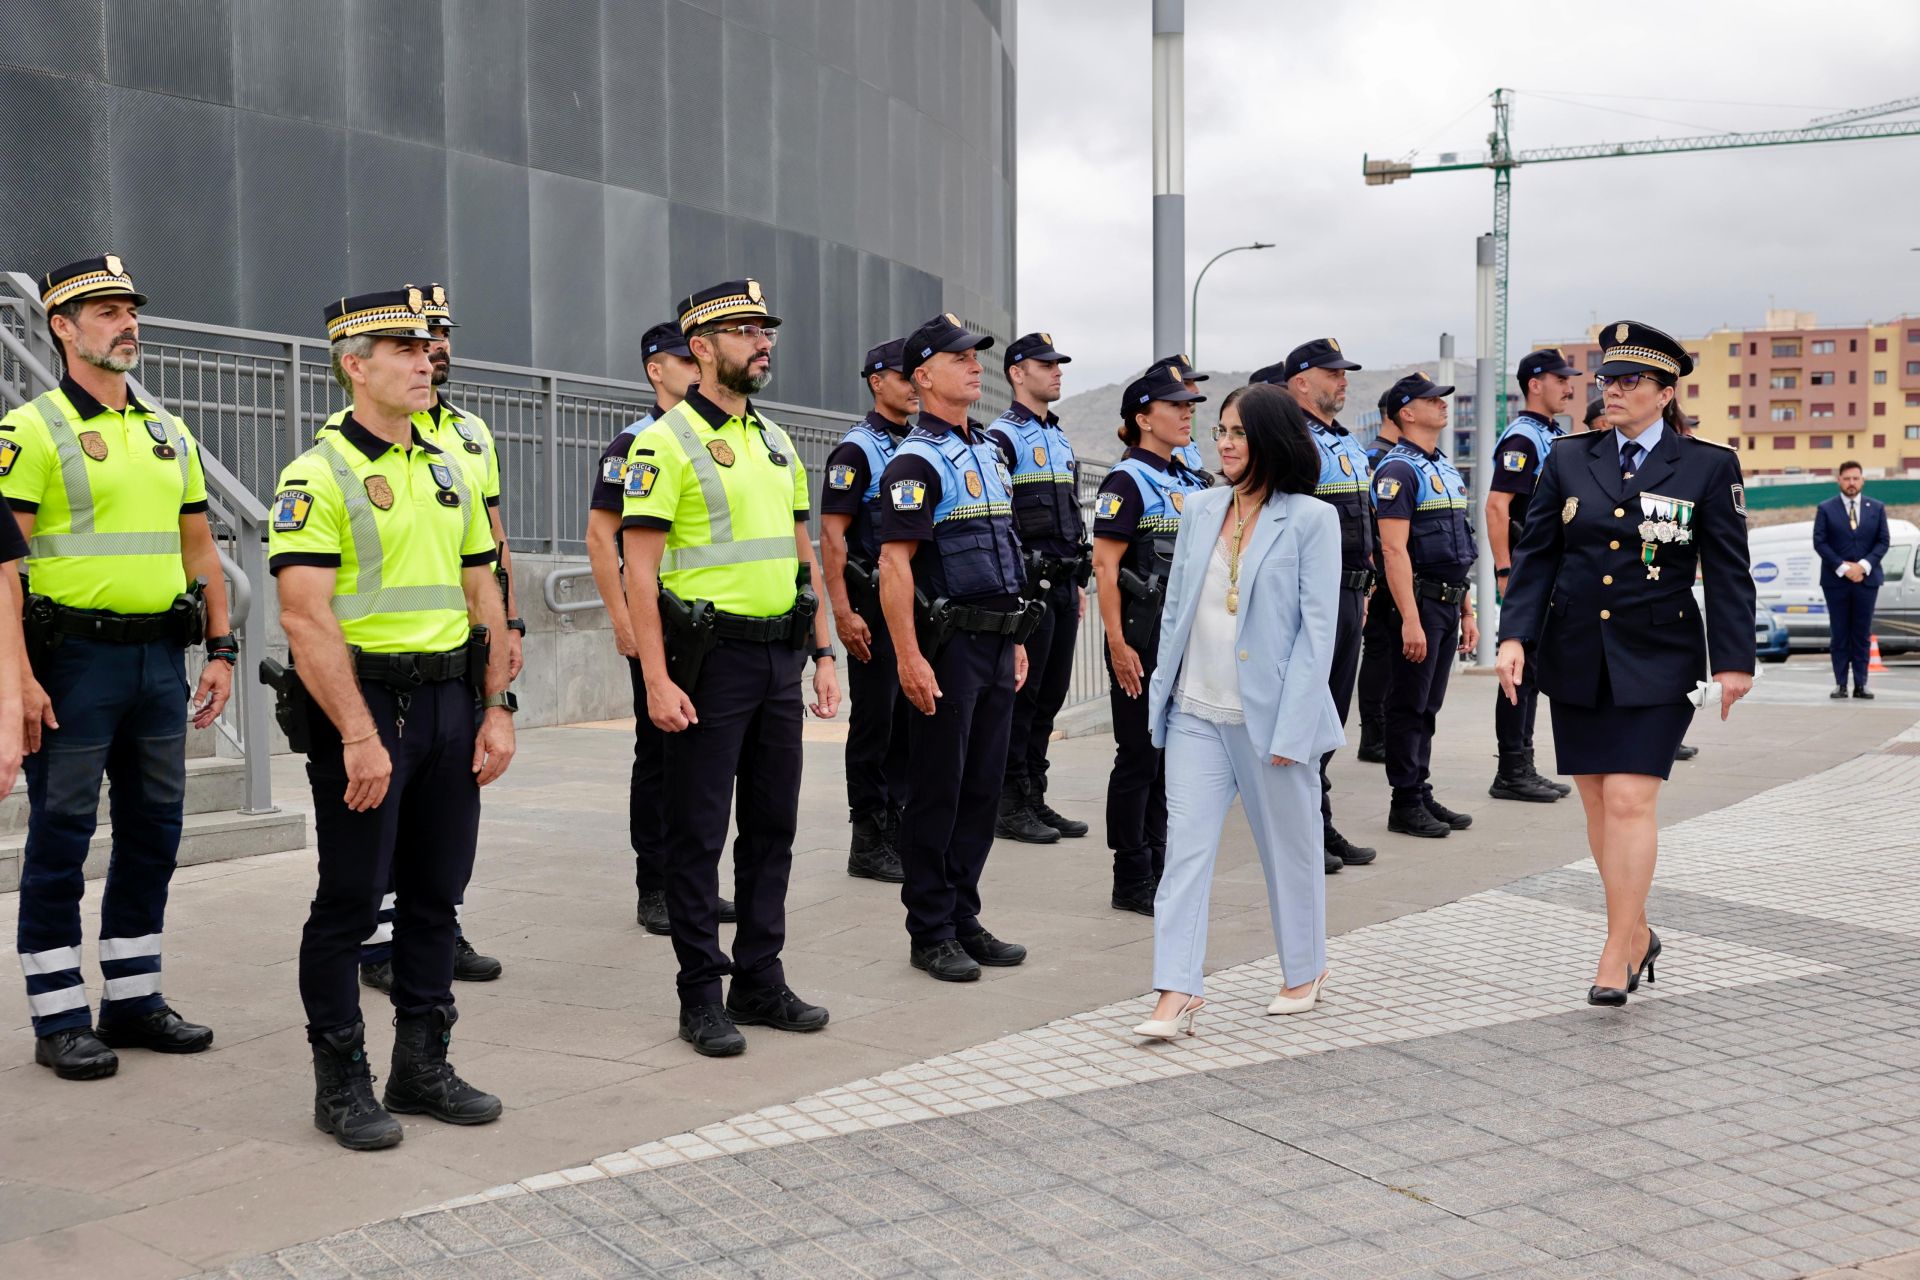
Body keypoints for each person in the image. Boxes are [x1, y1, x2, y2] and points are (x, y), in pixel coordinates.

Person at [271, 288, 516, 1148]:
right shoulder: (316, 474)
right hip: (369, 709)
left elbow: (483, 588)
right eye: (402, 349)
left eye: (427, 347)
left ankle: (421, 1065)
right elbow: (305, 617)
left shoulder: (449, 466)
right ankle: (340, 1083)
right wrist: (359, 736)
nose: (425, 360)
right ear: (354, 366)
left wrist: (496, 708)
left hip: (453, 702)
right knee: (348, 900)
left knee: (436, 897)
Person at [4, 256, 233, 1081]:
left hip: (157, 662)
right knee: (62, 836)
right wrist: (16, 679)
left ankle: (133, 1000)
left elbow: (199, 548)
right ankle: (59, 1014)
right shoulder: (29, 430)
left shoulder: (170, 432)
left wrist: (221, 647)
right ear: (60, 328)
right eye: (102, 311)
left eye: (128, 309)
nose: (124, 322)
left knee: (154, 834)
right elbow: (2, 567)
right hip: (70, 663)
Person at [1497, 321, 1755, 1005]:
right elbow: (1538, 556)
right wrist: (1514, 635)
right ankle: (1636, 930)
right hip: (1576, 648)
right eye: (1607, 380)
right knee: (1595, 800)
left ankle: (1616, 951)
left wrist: (1735, 661)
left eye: (1630, 381)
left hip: (1660, 653)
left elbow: (1729, 572)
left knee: (1630, 797)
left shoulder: (1705, 464)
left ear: (1666, 392)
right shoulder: (1568, 457)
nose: (1613, 391)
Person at [620, 279, 839, 1057]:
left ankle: (760, 978)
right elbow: (637, 570)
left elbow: (800, 553)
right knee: (698, 833)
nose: (762, 341)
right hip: (708, 664)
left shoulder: (778, 443)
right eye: (743, 330)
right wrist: (654, 675)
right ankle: (699, 995)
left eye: (764, 329)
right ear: (702, 348)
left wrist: (821, 652)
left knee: (773, 829)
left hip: (780, 657)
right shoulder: (663, 442)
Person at [1133, 384, 1343, 1039]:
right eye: (1221, 431)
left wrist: (1296, 726)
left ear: (1271, 440)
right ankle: (1175, 991)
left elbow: (1318, 632)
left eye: (1238, 433)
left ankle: (1304, 971)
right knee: (1184, 855)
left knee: (1292, 850)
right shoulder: (1197, 508)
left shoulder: (1311, 520)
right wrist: (1163, 695)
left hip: (1271, 720)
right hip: (1197, 710)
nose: (1224, 443)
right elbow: (1176, 607)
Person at [319, 284, 508, 992]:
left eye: (438, 337)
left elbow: (489, 551)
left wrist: (505, 632)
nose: (434, 351)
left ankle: (434, 931)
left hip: (452, 664)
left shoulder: (467, 439)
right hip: (376, 675)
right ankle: (380, 942)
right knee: (377, 832)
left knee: (442, 828)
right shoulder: (338, 448)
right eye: (415, 341)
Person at [874, 313, 1034, 984]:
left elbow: (1005, 551)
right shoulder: (915, 460)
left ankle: (964, 914)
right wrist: (908, 656)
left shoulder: (990, 452)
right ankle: (930, 929)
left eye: (976, 357)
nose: (974, 366)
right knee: (939, 790)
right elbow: (895, 566)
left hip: (998, 647)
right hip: (948, 649)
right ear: (924, 375)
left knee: (982, 789)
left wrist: (1018, 639)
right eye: (959, 357)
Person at [586, 321, 740, 930]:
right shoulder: (635, 443)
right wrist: (623, 620)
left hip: (722, 629)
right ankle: (656, 885)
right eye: (682, 359)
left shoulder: (721, 435)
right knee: (659, 757)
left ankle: (695, 882)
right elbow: (603, 536)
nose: (695, 367)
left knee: (710, 762)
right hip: (665, 629)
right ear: (656, 369)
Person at [1093, 365, 1212, 915]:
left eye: (1190, 405)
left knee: (1171, 759)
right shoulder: (1127, 481)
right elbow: (1107, 566)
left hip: (1186, 644)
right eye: (1175, 406)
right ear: (1143, 418)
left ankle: (1161, 860)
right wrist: (1117, 644)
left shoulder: (1190, 479)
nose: (1188, 412)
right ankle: (1130, 875)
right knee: (1138, 758)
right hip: (1141, 645)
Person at [1268, 339, 1377, 872]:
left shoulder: (1349, 443)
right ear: (1302, 382)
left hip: (1352, 591)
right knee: (1306, 711)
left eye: (1344, 373)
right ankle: (1303, 825)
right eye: (1333, 373)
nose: (1343, 382)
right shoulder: (1292, 442)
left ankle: (1317, 818)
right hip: (1313, 595)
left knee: (1332, 712)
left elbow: (1364, 522)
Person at [819, 339, 915, 883]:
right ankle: (868, 837)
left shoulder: (917, 444)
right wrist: (842, 611)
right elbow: (832, 537)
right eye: (904, 376)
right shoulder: (856, 451)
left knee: (906, 721)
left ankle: (897, 825)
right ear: (877, 381)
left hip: (908, 605)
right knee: (876, 723)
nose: (913, 385)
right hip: (870, 608)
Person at [989, 332, 1090, 845]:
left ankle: (1034, 795)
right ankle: (1009, 803)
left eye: (1058, 364)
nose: (1056, 371)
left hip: (1064, 583)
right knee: (1022, 699)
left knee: (1049, 697)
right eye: (1045, 364)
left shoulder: (1058, 436)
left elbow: (1070, 512)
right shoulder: (1001, 438)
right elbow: (1001, 521)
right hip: (1030, 587)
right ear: (1016, 372)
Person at [1373, 373, 1479, 839]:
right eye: (1431, 400)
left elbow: (1460, 546)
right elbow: (1393, 551)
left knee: (1428, 706)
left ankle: (1420, 789)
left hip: (1446, 602)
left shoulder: (1444, 467)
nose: (1442, 405)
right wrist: (1410, 621)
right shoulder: (1397, 471)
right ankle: (1405, 801)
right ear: (1406, 413)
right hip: (1416, 604)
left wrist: (1467, 610)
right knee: (1408, 705)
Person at [1484, 348, 1582, 804]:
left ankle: (1524, 762)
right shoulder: (1523, 438)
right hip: (1529, 569)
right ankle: (1511, 770)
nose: (1569, 386)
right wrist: (1506, 570)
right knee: (1519, 672)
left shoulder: (1549, 433)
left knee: (1534, 671)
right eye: (1561, 378)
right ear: (1535, 383)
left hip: (1550, 569)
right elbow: (1498, 506)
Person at [1352, 389, 1402, 765]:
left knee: (1390, 653)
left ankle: (1385, 728)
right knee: (1380, 649)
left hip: (1397, 567)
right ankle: (1373, 732)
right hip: (1381, 569)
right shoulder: (1376, 456)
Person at [1813, 460, 1888, 700]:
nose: (1851, 483)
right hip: (1836, 582)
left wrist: (1863, 566)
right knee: (1840, 633)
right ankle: (1840, 684)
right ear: (1839, 480)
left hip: (1867, 580)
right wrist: (1843, 568)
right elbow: (1820, 542)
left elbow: (1883, 542)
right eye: (1847, 479)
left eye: (1856, 478)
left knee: (1862, 633)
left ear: (1862, 480)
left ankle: (1861, 685)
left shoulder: (1876, 508)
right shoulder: (1826, 508)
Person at [1146, 353, 1210, 471]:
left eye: (1194, 382)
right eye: (1186, 383)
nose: (1196, 390)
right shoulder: (1146, 456)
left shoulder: (1187, 441)